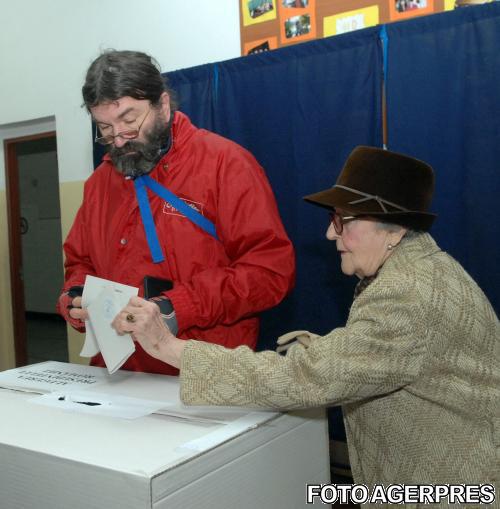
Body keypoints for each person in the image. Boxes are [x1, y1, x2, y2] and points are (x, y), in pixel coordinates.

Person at [113, 146, 499, 493]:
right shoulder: (420, 269)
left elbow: (306, 379)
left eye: (342, 220)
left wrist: (168, 346)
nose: (330, 233)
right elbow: (397, 355)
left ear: (394, 229)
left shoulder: (405, 292)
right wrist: (329, 349)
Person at [57, 50, 295, 375]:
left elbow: (270, 273)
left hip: (203, 372)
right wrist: (75, 296)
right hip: (121, 373)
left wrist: (176, 306)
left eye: (129, 121)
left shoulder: (226, 165)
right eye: (106, 128)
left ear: (163, 106)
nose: (120, 139)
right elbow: (80, 261)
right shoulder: (100, 183)